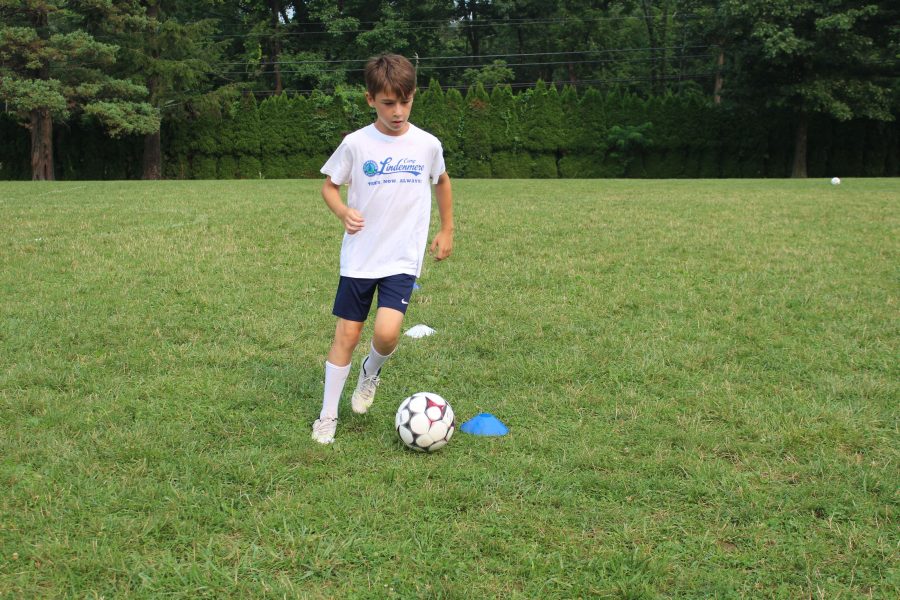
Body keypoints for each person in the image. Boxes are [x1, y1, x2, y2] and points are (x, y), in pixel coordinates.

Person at [311, 53, 454, 444]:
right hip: (360, 257)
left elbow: (442, 181)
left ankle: (370, 371)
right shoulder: (356, 144)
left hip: (402, 257)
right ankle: (327, 415)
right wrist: (343, 211)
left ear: (413, 96)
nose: (398, 111)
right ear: (370, 99)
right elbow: (329, 186)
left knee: (388, 334)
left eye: (405, 101)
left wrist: (447, 229)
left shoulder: (427, 144)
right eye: (388, 103)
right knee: (347, 334)